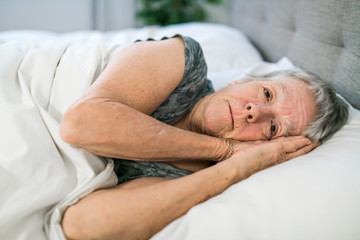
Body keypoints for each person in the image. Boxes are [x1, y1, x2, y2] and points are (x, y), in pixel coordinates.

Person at [59, 35, 348, 240]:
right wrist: (223, 150)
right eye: (267, 93)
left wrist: (237, 166)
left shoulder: (186, 181)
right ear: (243, 80)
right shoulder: (185, 63)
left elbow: (81, 226)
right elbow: (80, 124)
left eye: (273, 128)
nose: (254, 111)